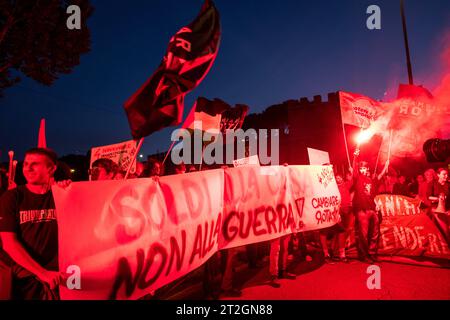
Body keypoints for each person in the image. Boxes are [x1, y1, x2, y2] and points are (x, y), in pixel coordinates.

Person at [0, 148, 70, 299]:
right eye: (25, 164)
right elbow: (8, 242)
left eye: (35, 164)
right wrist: (42, 273)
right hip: (25, 277)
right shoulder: (12, 197)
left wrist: (70, 190)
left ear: (51, 168)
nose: (28, 168)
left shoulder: (62, 195)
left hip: (60, 274)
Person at [351, 150, 389, 264]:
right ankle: (364, 255)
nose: (364, 169)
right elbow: (354, 169)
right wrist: (355, 157)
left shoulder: (371, 180)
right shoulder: (357, 178)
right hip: (362, 211)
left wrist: (386, 166)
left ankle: (372, 253)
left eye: (365, 168)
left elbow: (380, 177)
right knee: (363, 234)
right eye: (361, 168)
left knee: (375, 233)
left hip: (372, 209)